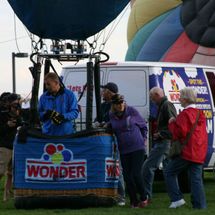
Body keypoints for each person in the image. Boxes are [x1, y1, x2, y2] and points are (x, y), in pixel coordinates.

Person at [164, 87, 207, 209]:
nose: (179, 98)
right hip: (198, 151)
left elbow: (178, 133)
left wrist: (172, 122)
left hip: (187, 151)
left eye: (181, 96)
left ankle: (176, 199)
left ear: (186, 99)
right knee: (196, 179)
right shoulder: (200, 113)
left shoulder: (185, 114)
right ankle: (200, 206)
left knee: (169, 172)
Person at [109, 94, 147, 208]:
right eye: (117, 103)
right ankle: (134, 202)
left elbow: (143, 126)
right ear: (113, 105)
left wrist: (143, 139)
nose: (120, 105)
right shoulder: (111, 115)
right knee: (127, 176)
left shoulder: (132, 111)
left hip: (137, 147)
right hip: (124, 149)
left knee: (136, 174)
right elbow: (113, 126)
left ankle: (144, 197)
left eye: (121, 102)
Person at [140, 87, 177, 207]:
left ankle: (146, 197)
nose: (151, 100)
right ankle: (176, 199)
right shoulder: (164, 105)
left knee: (147, 167)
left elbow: (173, 124)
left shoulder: (166, 105)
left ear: (156, 95)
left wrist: (161, 134)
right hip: (166, 142)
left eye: (152, 98)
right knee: (169, 171)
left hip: (164, 142)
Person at [95, 82, 126, 206]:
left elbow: (117, 121)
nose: (102, 93)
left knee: (118, 168)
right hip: (105, 141)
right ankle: (108, 194)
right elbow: (98, 119)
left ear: (110, 92)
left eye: (104, 90)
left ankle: (121, 196)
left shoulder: (117, 105)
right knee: (106, 168)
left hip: (116, 140)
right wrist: (97, 123)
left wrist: (105, 124)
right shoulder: (102, 106)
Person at [0, 92, 22, 201]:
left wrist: (18, 117)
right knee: (0, 171)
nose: (16, 107)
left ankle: (7, 196)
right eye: (14, 105)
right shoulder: (2, 114)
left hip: (16, 147)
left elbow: (23, 124)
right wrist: (7, 125)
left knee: (11, 173)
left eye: (17, 104)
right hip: (4, 146)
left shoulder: (19, 114)